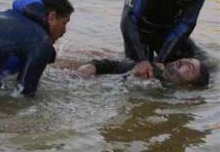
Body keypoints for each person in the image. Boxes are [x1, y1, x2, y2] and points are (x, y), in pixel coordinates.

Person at [77, 57, 210, 87]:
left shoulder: (175, 102)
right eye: (186, 59)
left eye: (190, 67)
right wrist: (93, 66)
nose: (183, 61)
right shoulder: (150, 67)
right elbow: (113, 65)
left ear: (189, 87)